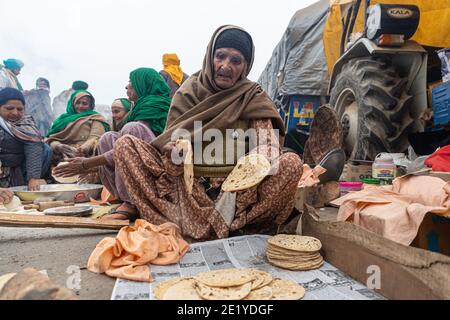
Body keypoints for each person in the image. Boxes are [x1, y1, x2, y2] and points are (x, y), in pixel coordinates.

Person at [101, 25, 303, 241]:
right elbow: (170, 140)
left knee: (291, 163)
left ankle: (237, 225)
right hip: (187, 192)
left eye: (236, 61)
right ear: (210, 57)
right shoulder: (189, 92)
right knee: (125, 145)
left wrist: (256, 161)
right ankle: (194, 223)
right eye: (220, 56)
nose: (226, 65)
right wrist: (172, 149)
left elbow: (268, 144)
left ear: (245, 66)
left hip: (239, 197)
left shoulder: (252, 96)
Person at [53, 68, 171, 209]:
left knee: (131, 129)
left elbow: (132, 149)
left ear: (142, 84)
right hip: (143, 162)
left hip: (160, 171)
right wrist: (89, 167)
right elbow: (126, 154)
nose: (127, 86)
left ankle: (133, 204)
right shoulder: (139, 108)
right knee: (108, 138)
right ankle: (126, 199)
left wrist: (87, 163)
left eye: (131, 82)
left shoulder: (156, 106)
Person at [0, 88, 52, 190]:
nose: (15, 113)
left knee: (45, 149)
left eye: (20, 109)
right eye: (9, 108)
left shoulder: (26, 122)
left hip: (19, 166)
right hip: (2, 166)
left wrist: (33, 178)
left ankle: (25, 184)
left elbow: (33, 147)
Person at [45, 90, 109, 164]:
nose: (80, 106)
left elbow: (95, 138)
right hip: (60, 156)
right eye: (77, 103)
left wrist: (81, 150)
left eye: (84, 103)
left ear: (90, 105)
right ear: (72, 104)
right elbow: (50, 139)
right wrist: (59, 146)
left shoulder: (96, 118)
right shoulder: (62, 120)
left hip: (86, 157)